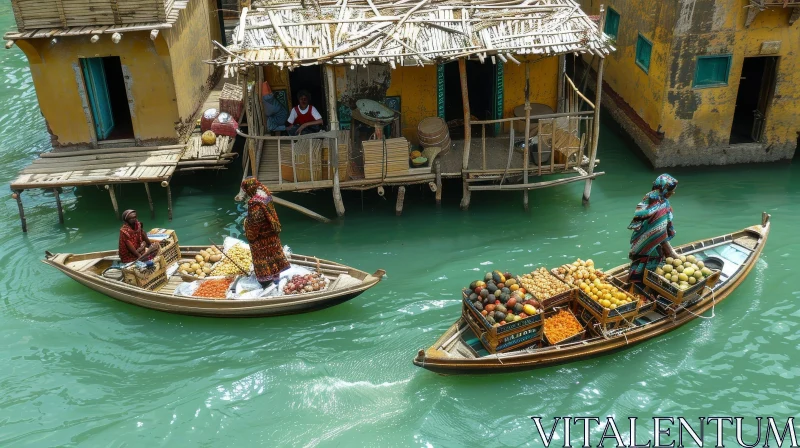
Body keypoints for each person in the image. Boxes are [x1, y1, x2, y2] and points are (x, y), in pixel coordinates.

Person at [627, 174, 680, 286]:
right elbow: (659, 230)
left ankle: (637, 285)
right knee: (648, 265)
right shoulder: (659, 204)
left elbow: (639, 221)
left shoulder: (650, 197)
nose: (672, 193)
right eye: (671, 191)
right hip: (651, 244)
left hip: (643, 243)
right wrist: (670, 251)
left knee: (641, 266)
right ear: (665, 189)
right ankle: (641, 289)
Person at [241, 177, 290, 288]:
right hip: (271, 233)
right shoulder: (265, 194)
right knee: (272, 254)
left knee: (262, 257)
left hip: (261, 236)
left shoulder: (254, 203)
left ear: (249, 189)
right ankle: (275, 279)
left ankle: (265, 282)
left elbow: (255, 221)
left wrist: (248, 230)